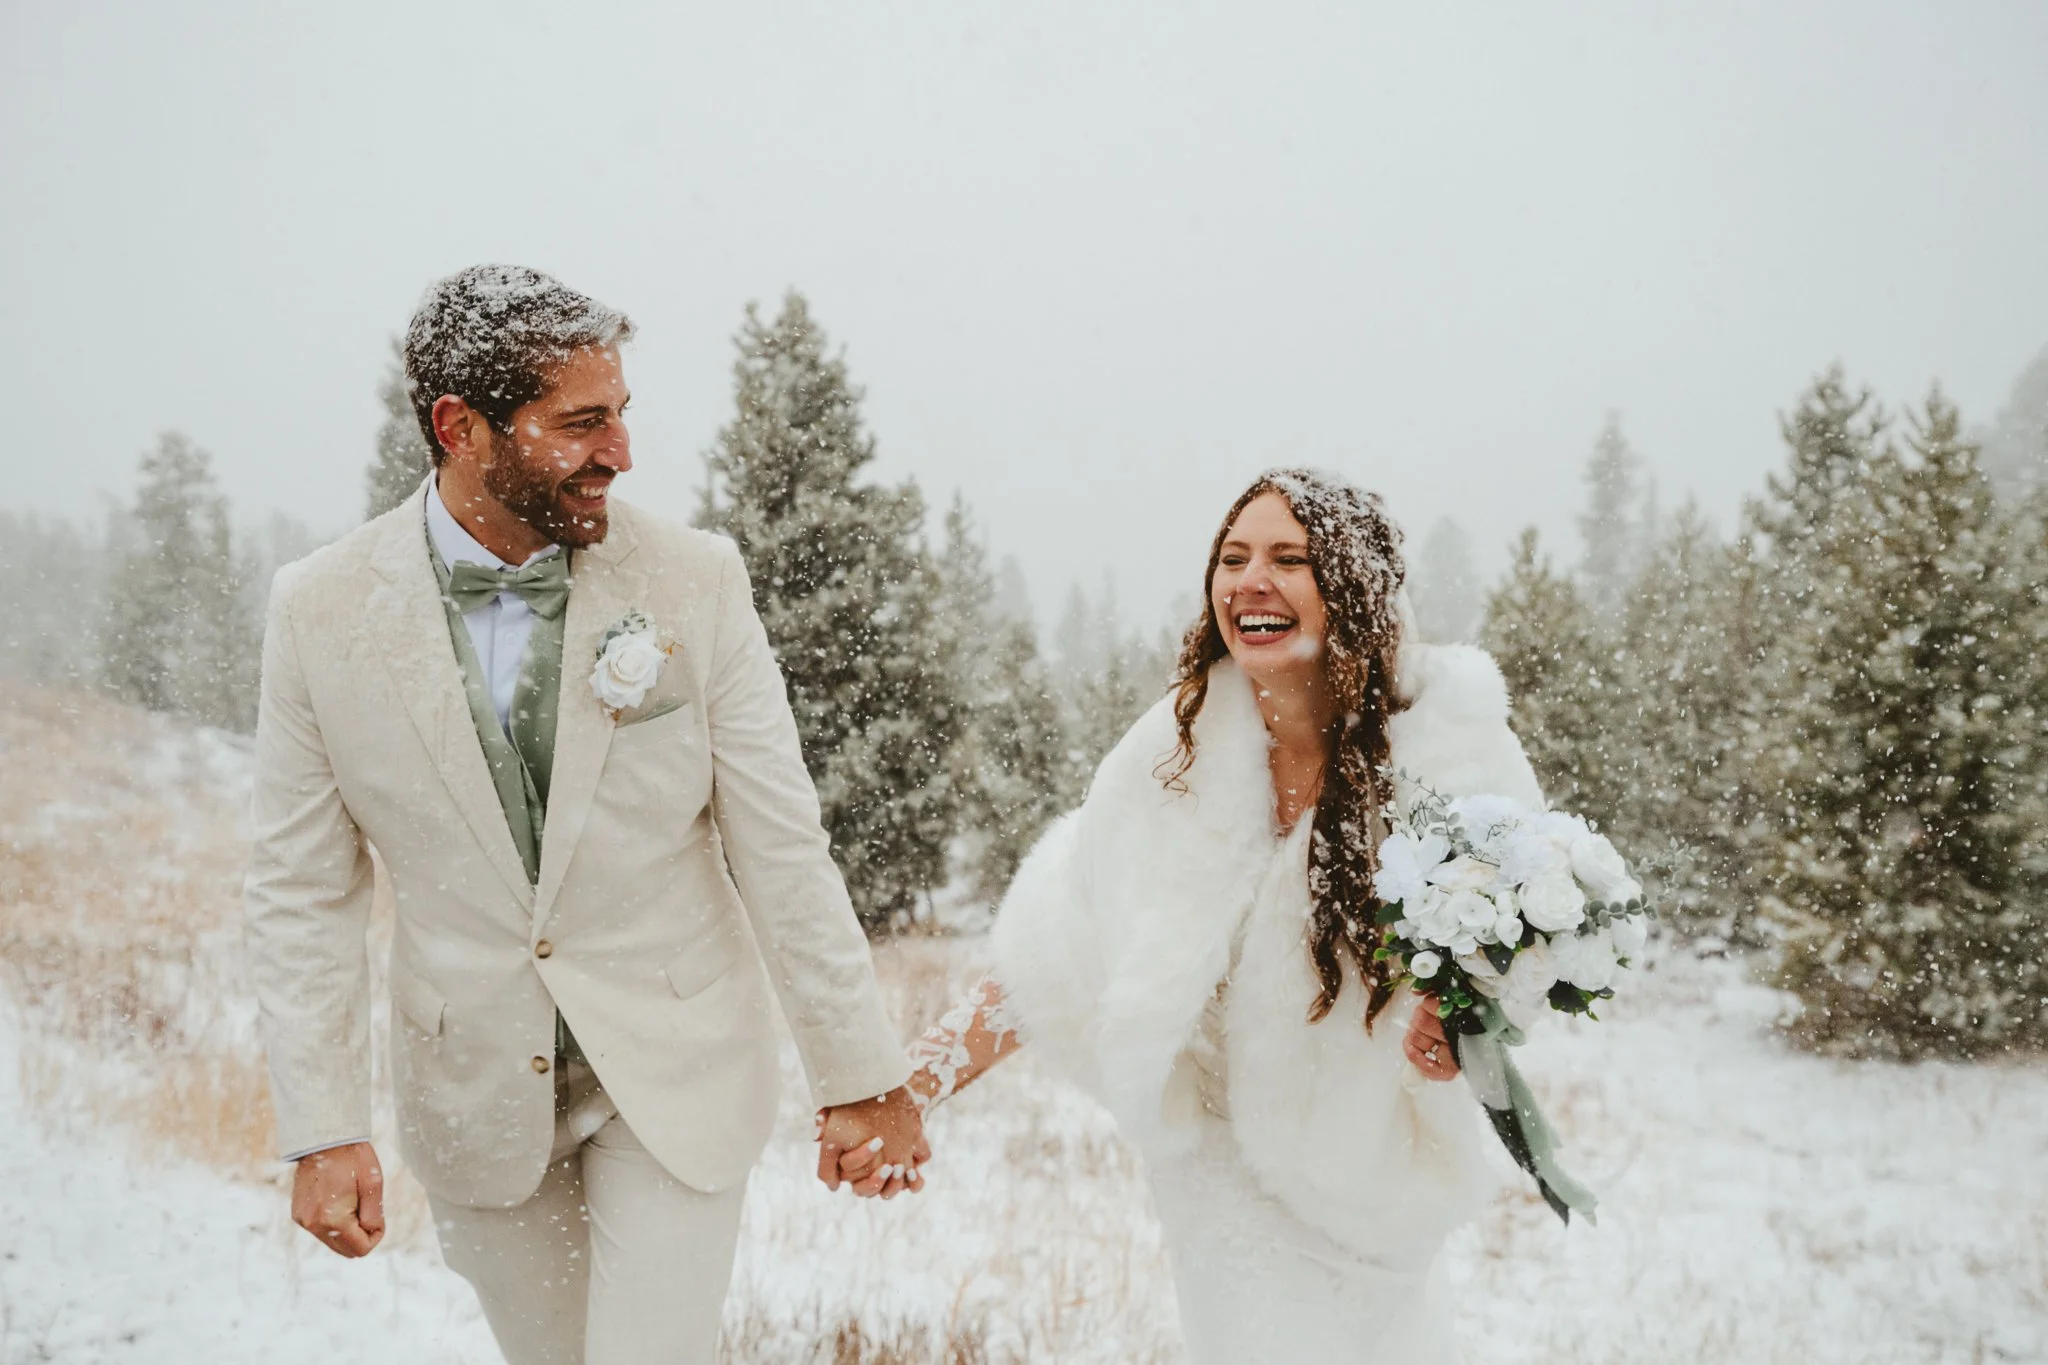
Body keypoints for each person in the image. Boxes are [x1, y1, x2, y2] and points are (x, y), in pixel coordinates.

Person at [244, 264, 926, 1365]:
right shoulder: (319, 611)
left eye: (620, 415)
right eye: (580, 423)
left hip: (674, 1068)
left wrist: (859, 1077)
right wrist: (323, 1127)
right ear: (460, 427)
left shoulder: (695, 581)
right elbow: (301, 890)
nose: (619, 452)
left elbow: (780, 845)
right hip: (474, 1089)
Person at [823, 469, 1548, 1358]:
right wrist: (909, 1091)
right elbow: (1055, 951)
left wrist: (1463, 1015)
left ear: (1354, 585)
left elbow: (1525, 943)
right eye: (1233, 557)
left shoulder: (1453, 750)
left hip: (1380, 1180)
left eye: (1290, 558)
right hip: (1219, 1172)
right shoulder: (1171, 755)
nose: (1251, 580)